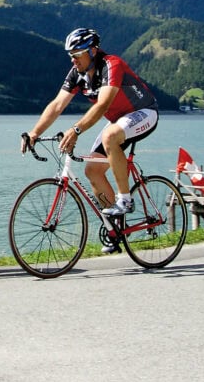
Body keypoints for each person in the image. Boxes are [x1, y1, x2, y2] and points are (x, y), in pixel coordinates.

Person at [21, 28, 158, 250]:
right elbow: (57, 105)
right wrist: (34, 132)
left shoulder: (111, 65)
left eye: (77, 54)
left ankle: (125, 199)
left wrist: (75, 130)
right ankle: (115, 229)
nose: (73, 60)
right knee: (92, 170)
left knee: (110, 135)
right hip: (118, 120)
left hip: (144, 112)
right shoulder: (77, 73)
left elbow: (103, 104)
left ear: (93, 51)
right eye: (70, 56)